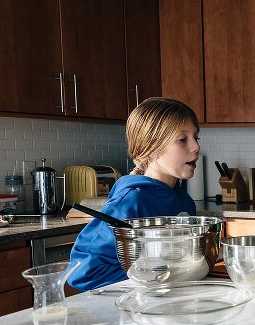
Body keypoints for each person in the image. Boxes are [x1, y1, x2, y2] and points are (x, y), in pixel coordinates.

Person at [67, 98, 200, 290]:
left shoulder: (184, 201)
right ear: (151, 148)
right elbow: (81, 273)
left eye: (196, 137)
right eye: (182, 139)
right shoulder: (130, 202)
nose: (195, 146)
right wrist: (149, 276)